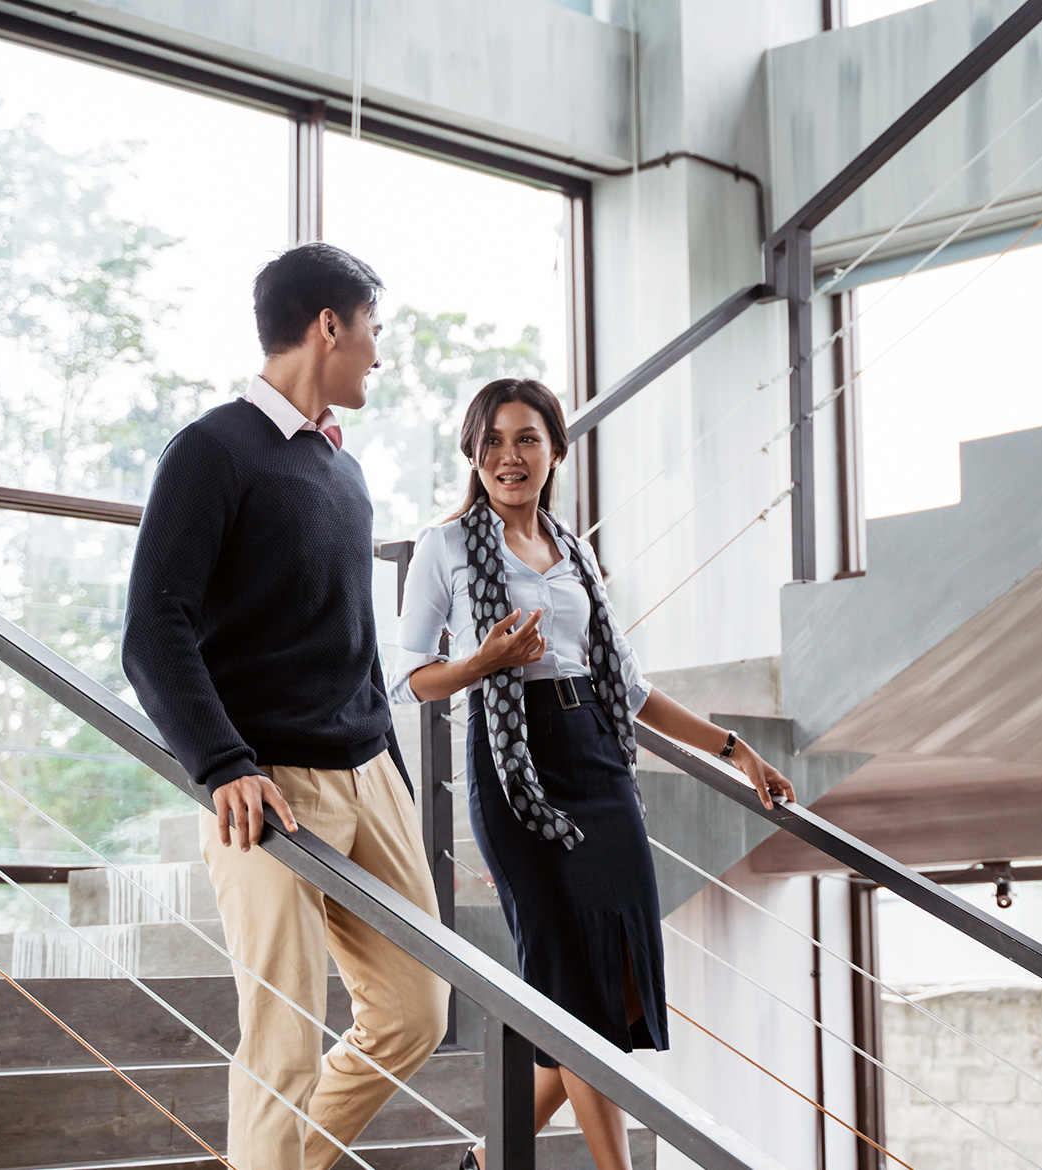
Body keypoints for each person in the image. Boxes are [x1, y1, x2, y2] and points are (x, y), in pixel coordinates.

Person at [393, 377, 795, 1170]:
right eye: (494, 442)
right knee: (566, 993)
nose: (510, 457)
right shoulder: (444, 549)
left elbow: (631, 687)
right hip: (513, 767)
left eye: (528, 439)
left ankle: (481, 1161)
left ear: (554, 451)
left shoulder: (576, 552)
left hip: (598, 759)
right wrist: (485, 660)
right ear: (474, 455)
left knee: (624, 991)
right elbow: (411, 677)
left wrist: (733, 748)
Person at [124, 242, 449, 1170]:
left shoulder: (343, 473)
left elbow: (351, 640)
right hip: (263, 788)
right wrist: (222, 762)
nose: (379, 356)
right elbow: (154, 629)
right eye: (373, 332)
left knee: (419, 1009)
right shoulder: (210, 451)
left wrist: (388, 768)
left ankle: (280, 1163)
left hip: (366, 771)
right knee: (285, 1037)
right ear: (329, 325)